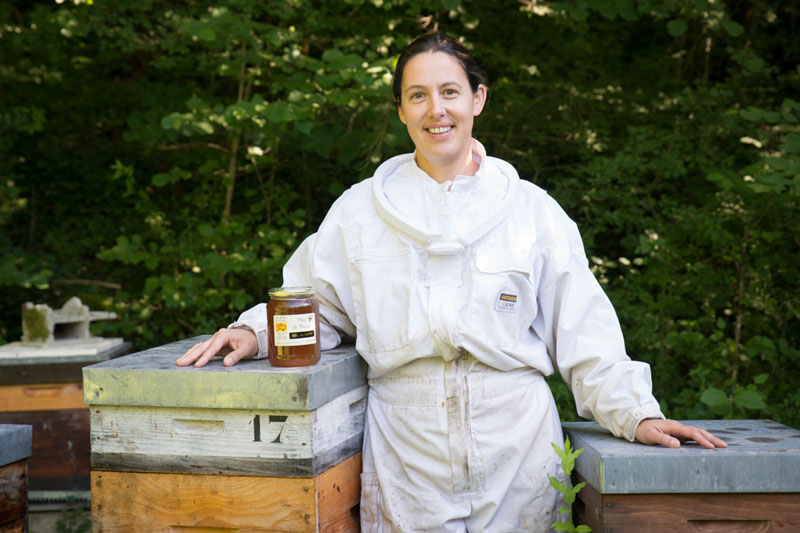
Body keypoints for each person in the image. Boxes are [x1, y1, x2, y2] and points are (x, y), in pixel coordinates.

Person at [177, 32, 726, 532]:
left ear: (477, 100)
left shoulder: (533, 212)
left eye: (449, 92)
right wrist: (255, 331)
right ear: (400, 111)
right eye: (417, 95)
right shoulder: (359, 212)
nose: (435, 110)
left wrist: (637, 413)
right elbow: (315, 306)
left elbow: (583, 333)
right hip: (407, 446)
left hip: (517, 440)